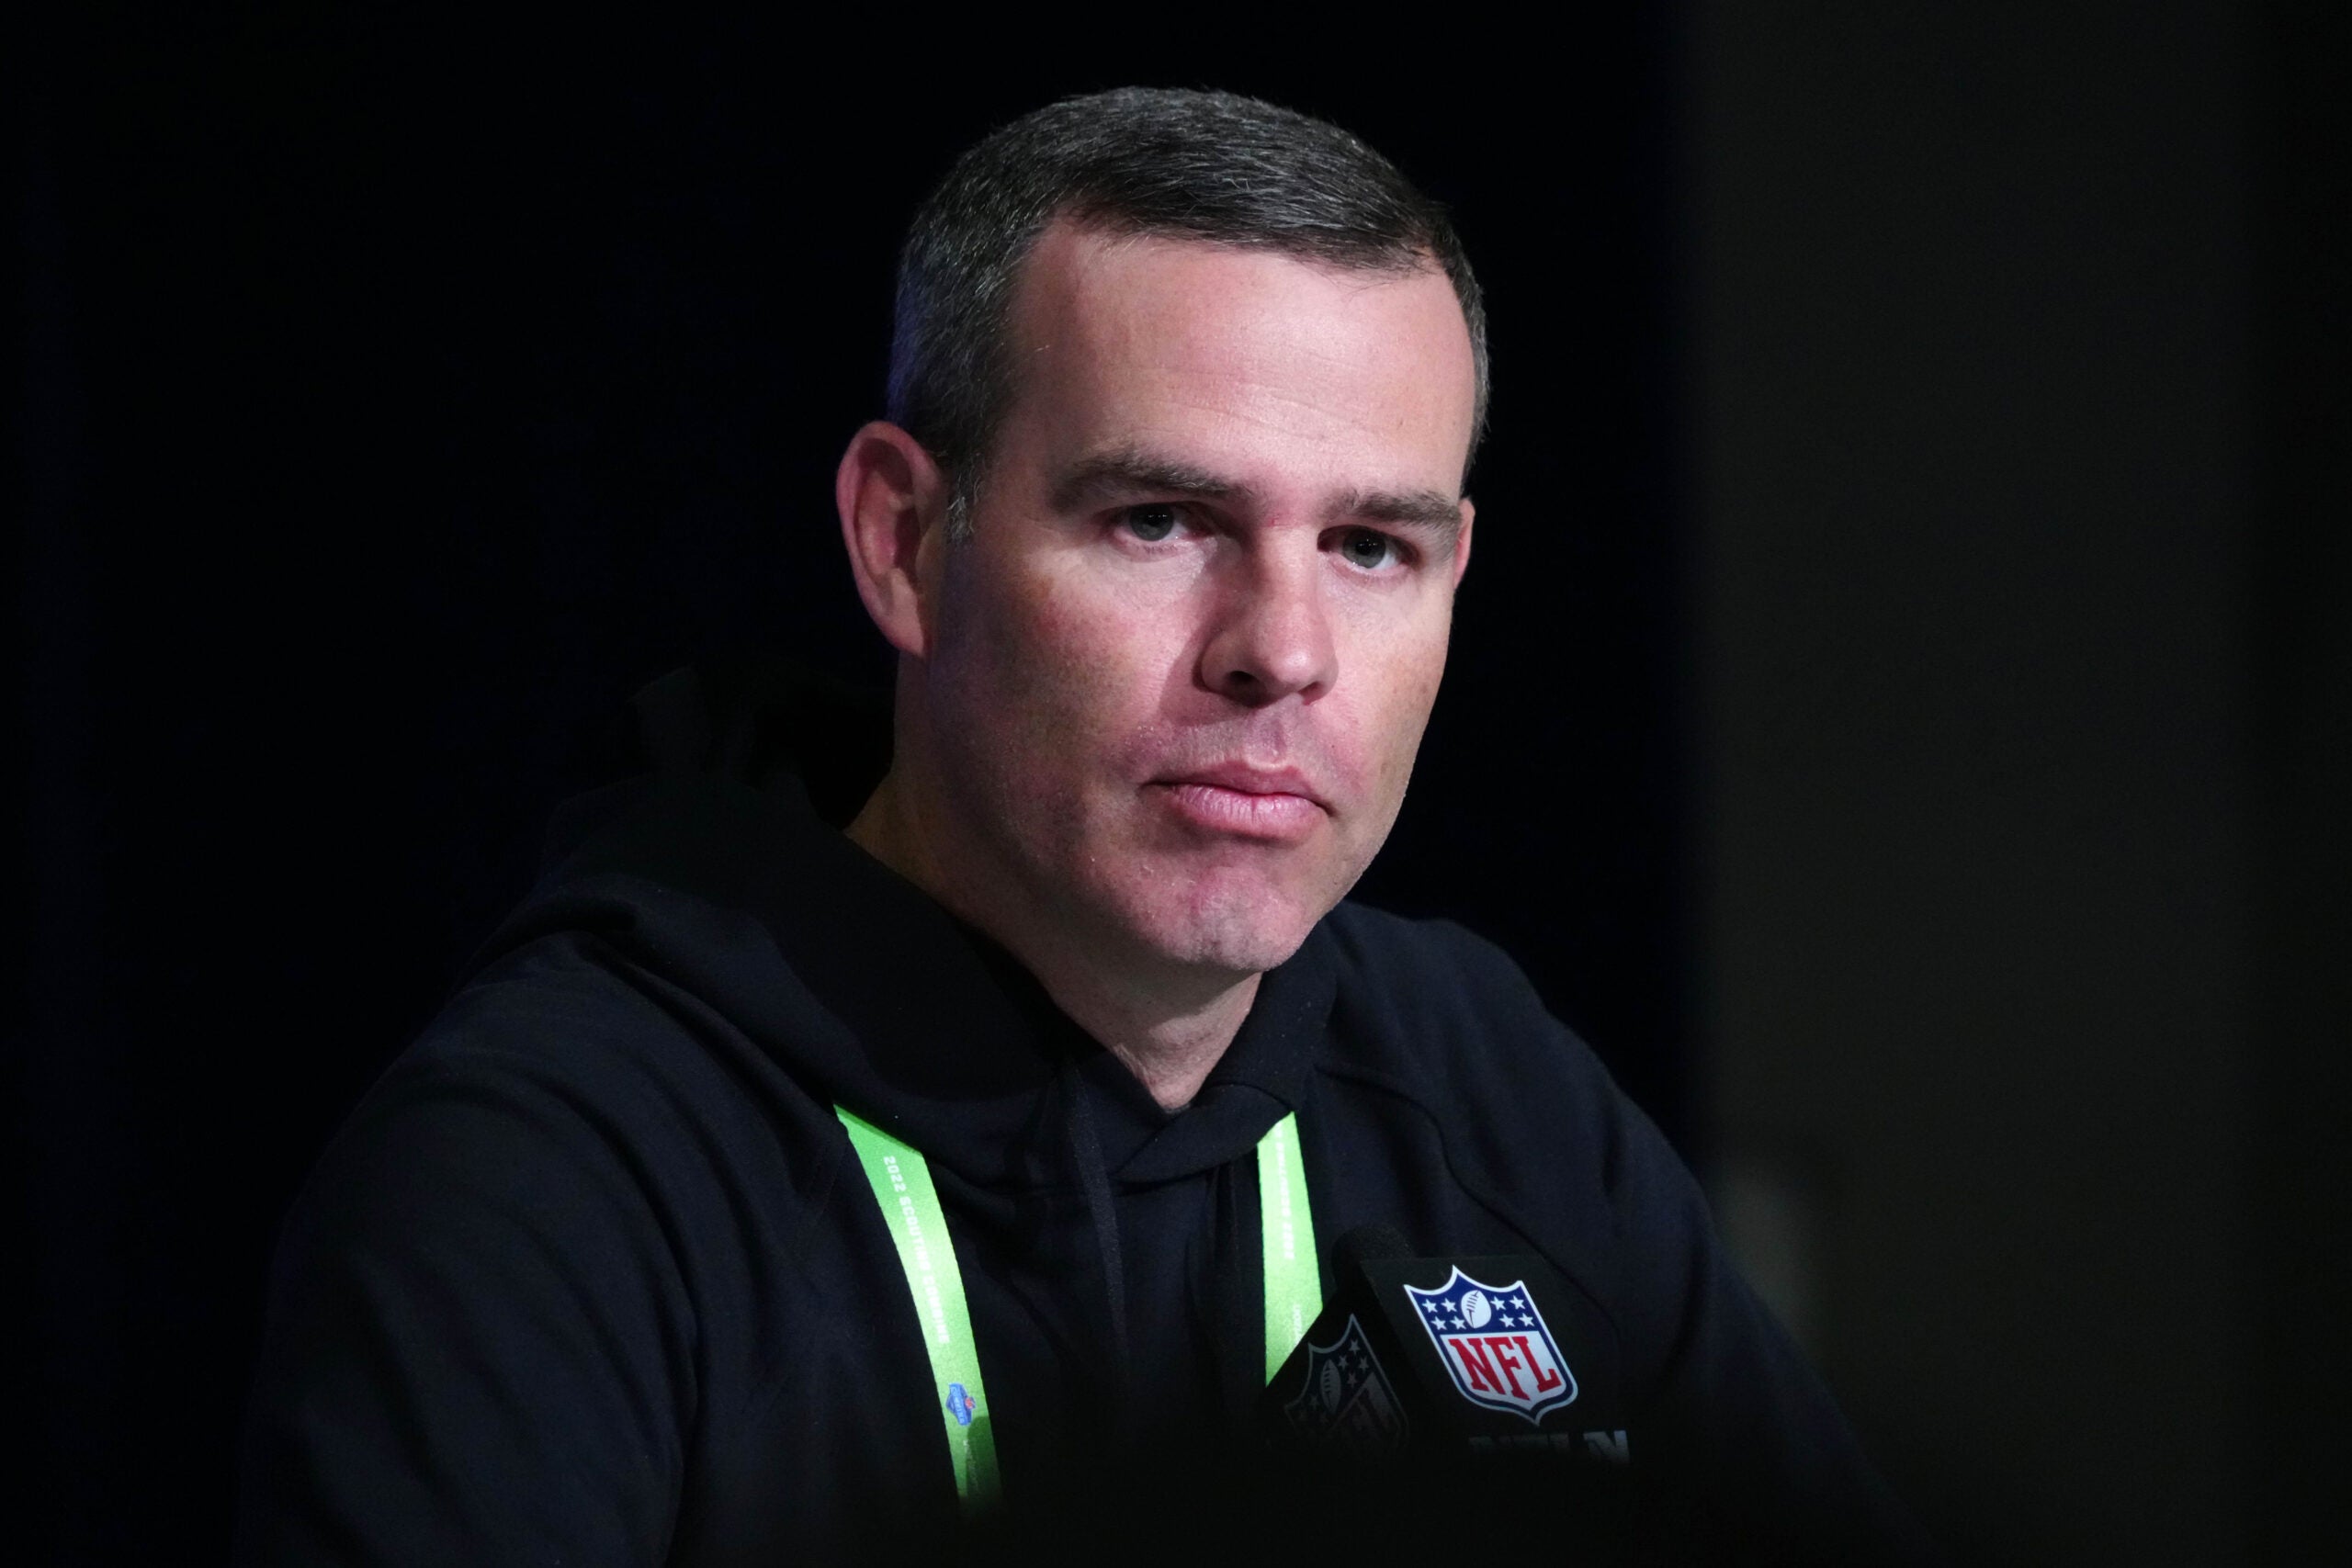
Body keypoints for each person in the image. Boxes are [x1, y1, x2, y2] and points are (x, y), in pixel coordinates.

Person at [235, 88, 1933, 1564]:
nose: (1281, 648)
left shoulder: (1488, 1093)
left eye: (1370, 548)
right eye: (1161, 519)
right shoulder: (556, 1169)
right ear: (904, 541)